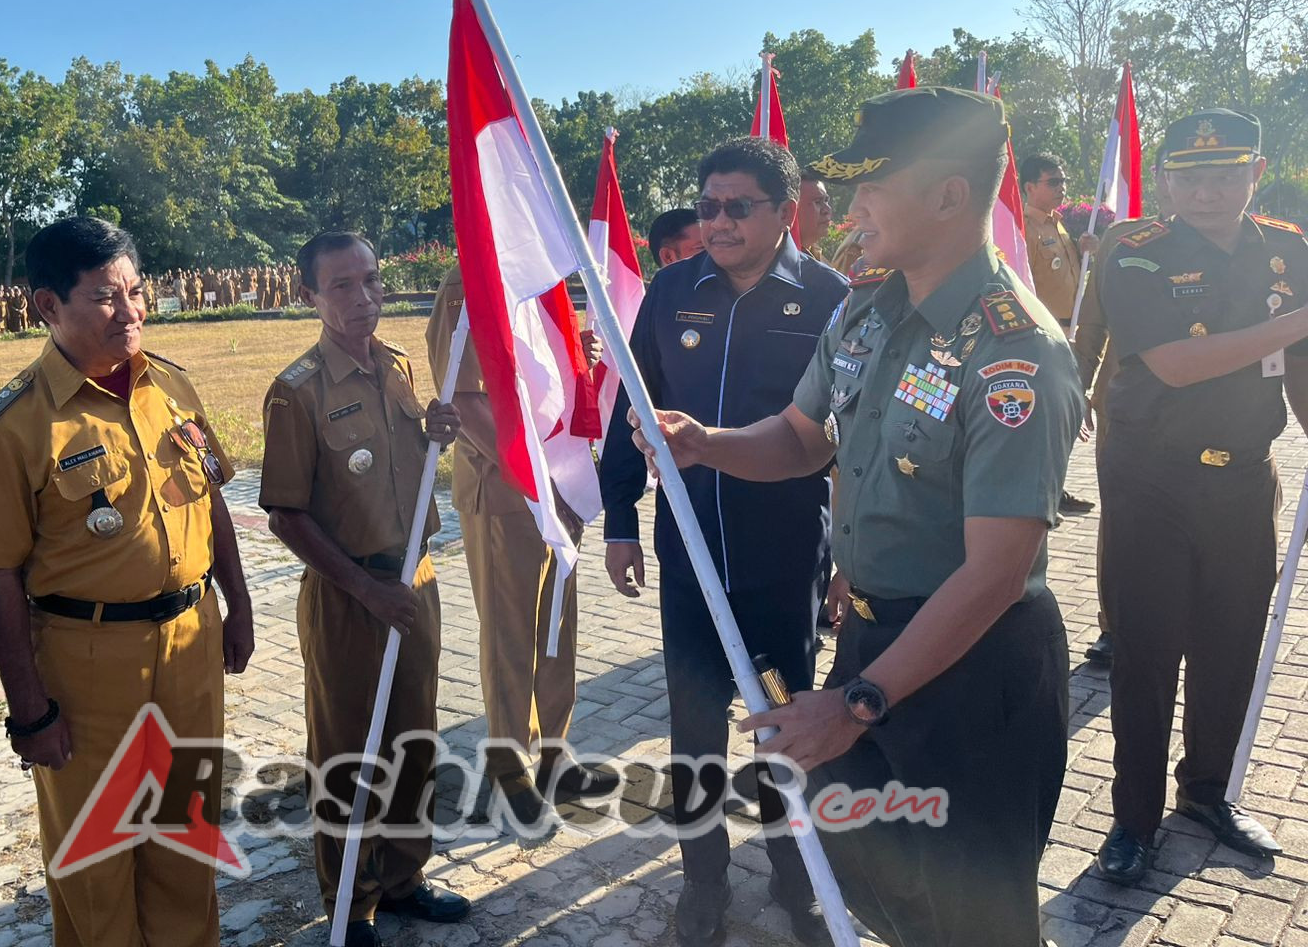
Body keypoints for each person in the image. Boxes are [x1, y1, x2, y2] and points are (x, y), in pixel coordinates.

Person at [643, 87, 1085, 947]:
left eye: (871, 189)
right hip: (874, 646)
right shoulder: (865, 311)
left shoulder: (1013, 349)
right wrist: (703, 441)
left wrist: (854, 704)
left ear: (951, 196)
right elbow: (802, 438)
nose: (849, 210)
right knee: (880, 882)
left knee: (975, 918)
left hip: (974, 669)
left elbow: (994, 574)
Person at [0, 216, 256, 947]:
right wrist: (28, 709)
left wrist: (238, 603)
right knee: (97, 852)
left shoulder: (172, 386)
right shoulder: (15, 423)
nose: (132, 312)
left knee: (185, 836)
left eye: (137, 292)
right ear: (48, 306)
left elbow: (211, 501)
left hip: (188, 643)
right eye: (106, 298)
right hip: (85, 665)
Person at [602, 139, 848, 946]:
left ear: (786, 211)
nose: (719, 222)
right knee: (696, 723)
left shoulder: (829, 299)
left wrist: (847, 555)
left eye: (739, 206)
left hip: (783, 558)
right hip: (690, 556)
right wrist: (618, 520)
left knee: (783, 718)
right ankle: (702, 879)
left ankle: (793, 872)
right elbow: (627, 415)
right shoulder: (672, 293)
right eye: (708, 206)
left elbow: (854, 436)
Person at [1093, 110, 1307, 882]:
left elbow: (1302, 363)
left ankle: (1208, 792)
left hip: (1246, 478)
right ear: (1167, 181)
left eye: (1226, 173)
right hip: (1153, 479)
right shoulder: (1136, 253)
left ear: (1254, 173)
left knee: (1231, 645)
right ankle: (1132, 820)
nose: (1209, 190)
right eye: (1191, 175)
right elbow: (1177, 363)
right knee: (1145, 655)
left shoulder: (1288, 249)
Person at [259, 230, 469, 947]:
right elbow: (286, 516)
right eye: (342, 286)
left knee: (414, 738)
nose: (363, 298)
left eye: (372, 281)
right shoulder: (297, 391)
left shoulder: (400, 366)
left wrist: (438, 428)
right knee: (350, 752)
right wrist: (364, 589)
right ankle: (351, 901)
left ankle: (405, 877)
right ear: (309, 297)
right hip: (348, 595)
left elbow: (408, 460)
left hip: (415, 580)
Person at [425, 264, 619, 828]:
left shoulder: (534, 274)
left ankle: (555, 757)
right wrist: (540, 481)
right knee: (512, 634)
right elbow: (466, 405)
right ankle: (509, 771)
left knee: (557, 626)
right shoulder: (468, 283)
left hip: (557, 484)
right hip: (508, 491)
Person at [1070, 213, 1158, 666]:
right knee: (1121, 517)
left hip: (1214, 417)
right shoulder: (1124, 241)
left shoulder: (1256, 245)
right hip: (1125, 405)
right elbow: (1092, 326)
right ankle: (1114, 624)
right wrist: (1077, 389)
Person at [1021, 153, 1097, 516]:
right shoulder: (1024, 228)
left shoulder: (1059, 225)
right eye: (1053, 182)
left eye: (1063, 181)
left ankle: (1055, 485)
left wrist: (1084, 255)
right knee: (1044, 418)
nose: (1061, 188)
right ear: (1029, 187)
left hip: (1071, 331)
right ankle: (1038, 493)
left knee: (1064, 414)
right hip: (1042, 337)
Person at [796, 168, 834, 262]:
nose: (827, 210)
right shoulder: (778, 263)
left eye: (826, 201)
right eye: (817, 202)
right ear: (792, 209)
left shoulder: (817, 256)